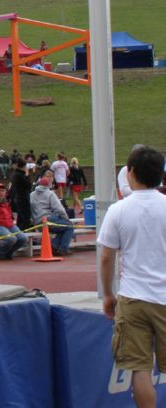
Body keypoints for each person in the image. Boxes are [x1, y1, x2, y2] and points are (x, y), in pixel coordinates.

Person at [98, 146, 166, 408]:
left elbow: (106, 257)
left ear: (132, 173)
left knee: (140, 369)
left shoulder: (119, 210)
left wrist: (107, 295)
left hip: (134, 297)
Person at [30, 176, 74, 256]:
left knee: (63, 229)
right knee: (69, 226)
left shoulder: (32, 195)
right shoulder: (50, 193)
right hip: (48, 220)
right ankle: (62, 248)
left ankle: (54, 246)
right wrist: (66, 219)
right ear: (49, 185)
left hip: (37, 223)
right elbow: (59, 209)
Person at [8, 158, 33, 230]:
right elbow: (28, 185)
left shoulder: (14, 174)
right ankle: (22, 234)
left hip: (17, 198)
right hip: (23, 199)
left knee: (20, 218)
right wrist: (27, 175)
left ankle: (19, 232)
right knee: (25, 219)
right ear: (24, 166)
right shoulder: (21, 175)